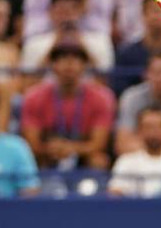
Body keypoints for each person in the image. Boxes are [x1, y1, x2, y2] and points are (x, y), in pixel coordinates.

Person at [20, 41, 117, 171]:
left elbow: (98, 144)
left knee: (99, 160)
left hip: (83, 154)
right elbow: (32, 144)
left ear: (84, 66)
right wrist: (52, 149)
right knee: (28, 158)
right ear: (52, 65)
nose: (69, 64)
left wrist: (71, 148)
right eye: (61, 59)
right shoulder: (33, 97)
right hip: (47, 154)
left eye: (76, 59)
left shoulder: (102, 97)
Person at [21, 0, 115, 78]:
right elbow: (28, 84)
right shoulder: (33, 44)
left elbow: (104, 83)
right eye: (61, 11)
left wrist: (82, 44)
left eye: (71, 11)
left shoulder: (100, 42)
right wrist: (55, 43)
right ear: (51, 12)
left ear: (81, 11)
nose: (66, 17)